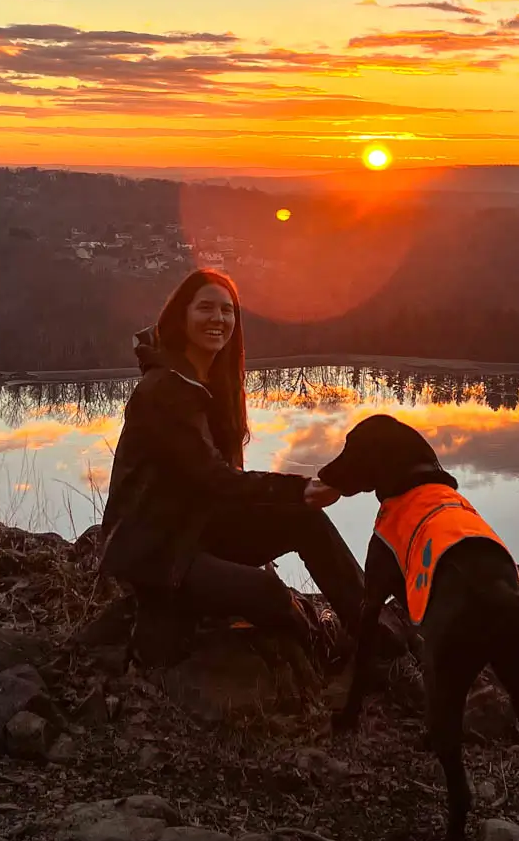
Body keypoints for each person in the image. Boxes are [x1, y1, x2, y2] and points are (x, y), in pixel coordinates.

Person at [98, 267, 366, 658]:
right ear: (181, 315)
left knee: (306, 521)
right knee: (268, 593)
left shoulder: (206, 384)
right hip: (158, 553)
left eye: (227, 311)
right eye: (205, 308)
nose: (218, 319)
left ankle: (370, 629)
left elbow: (224, 484)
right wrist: (298, 488)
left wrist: (285, 509)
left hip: (196, 530)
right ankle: (317, 643)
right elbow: (216, 479)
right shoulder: (164, 390)